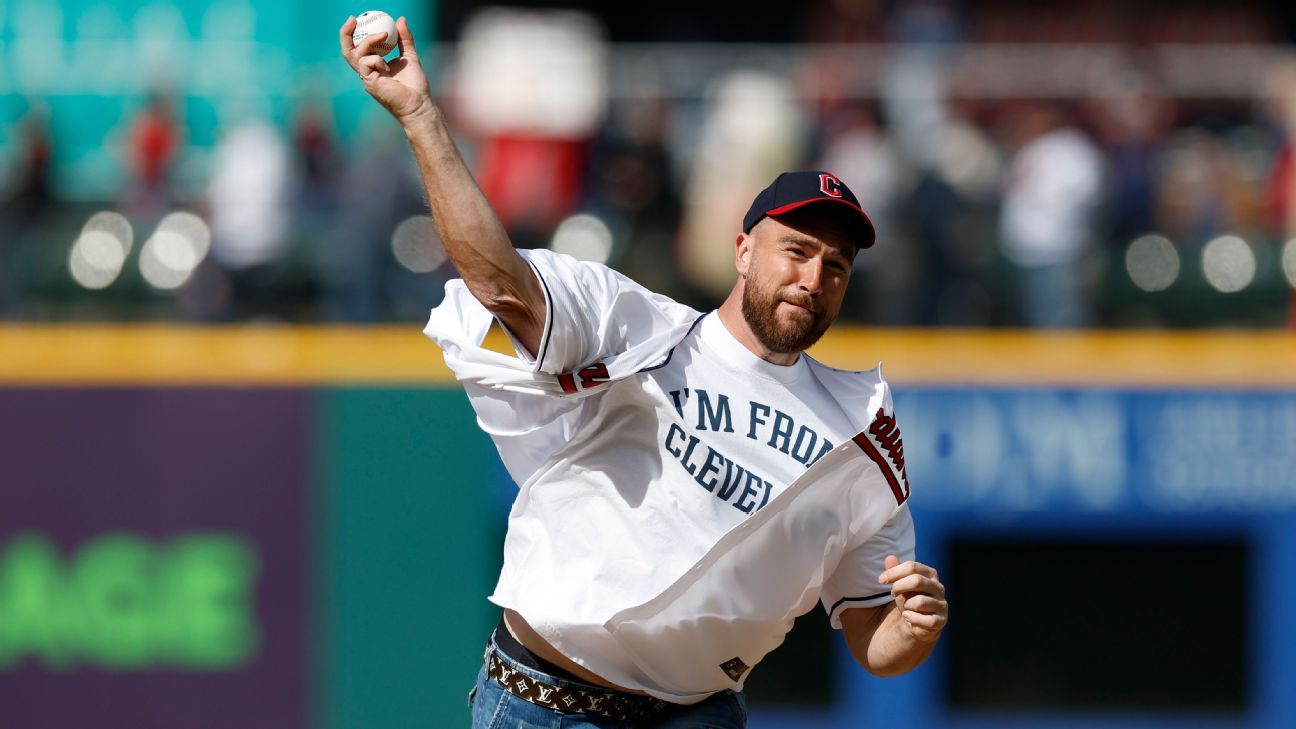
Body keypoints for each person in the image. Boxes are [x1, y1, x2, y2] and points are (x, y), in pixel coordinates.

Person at [340, 16, 948, 728]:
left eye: (835, 264)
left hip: (697, 715)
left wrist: (912, 632)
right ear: (744, 249)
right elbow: (500, 283)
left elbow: (873, 639)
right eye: (796, 249)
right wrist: (419, 114)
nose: (813, 276)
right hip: (546, 703)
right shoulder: (641, 328)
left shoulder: (860, 431)